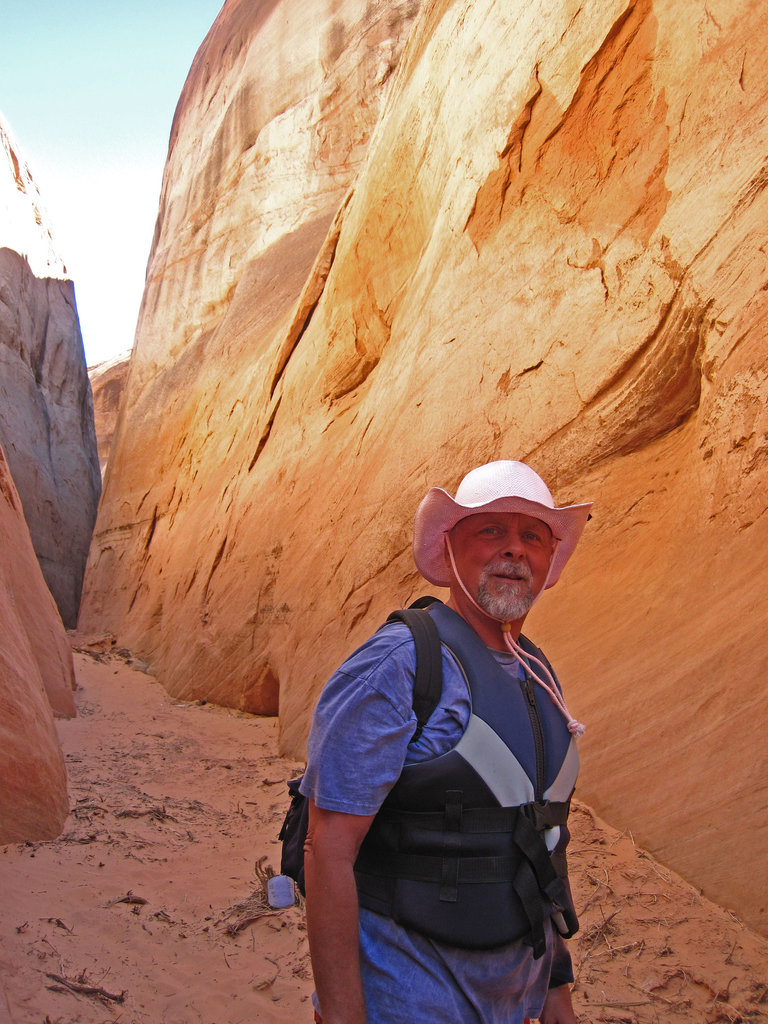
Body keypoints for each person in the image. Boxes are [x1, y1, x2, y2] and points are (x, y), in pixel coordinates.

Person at [300, 460, 593, 1024]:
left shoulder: (538, 675)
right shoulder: (398, 666)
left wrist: (556, 983)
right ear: (450, 548)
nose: (514, 550)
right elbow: (329, 848)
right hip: (407, 993)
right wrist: (342, 1016)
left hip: (515, 993)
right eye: (491, 530)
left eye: (531, 536)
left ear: (547, 559)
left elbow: (542, 841)